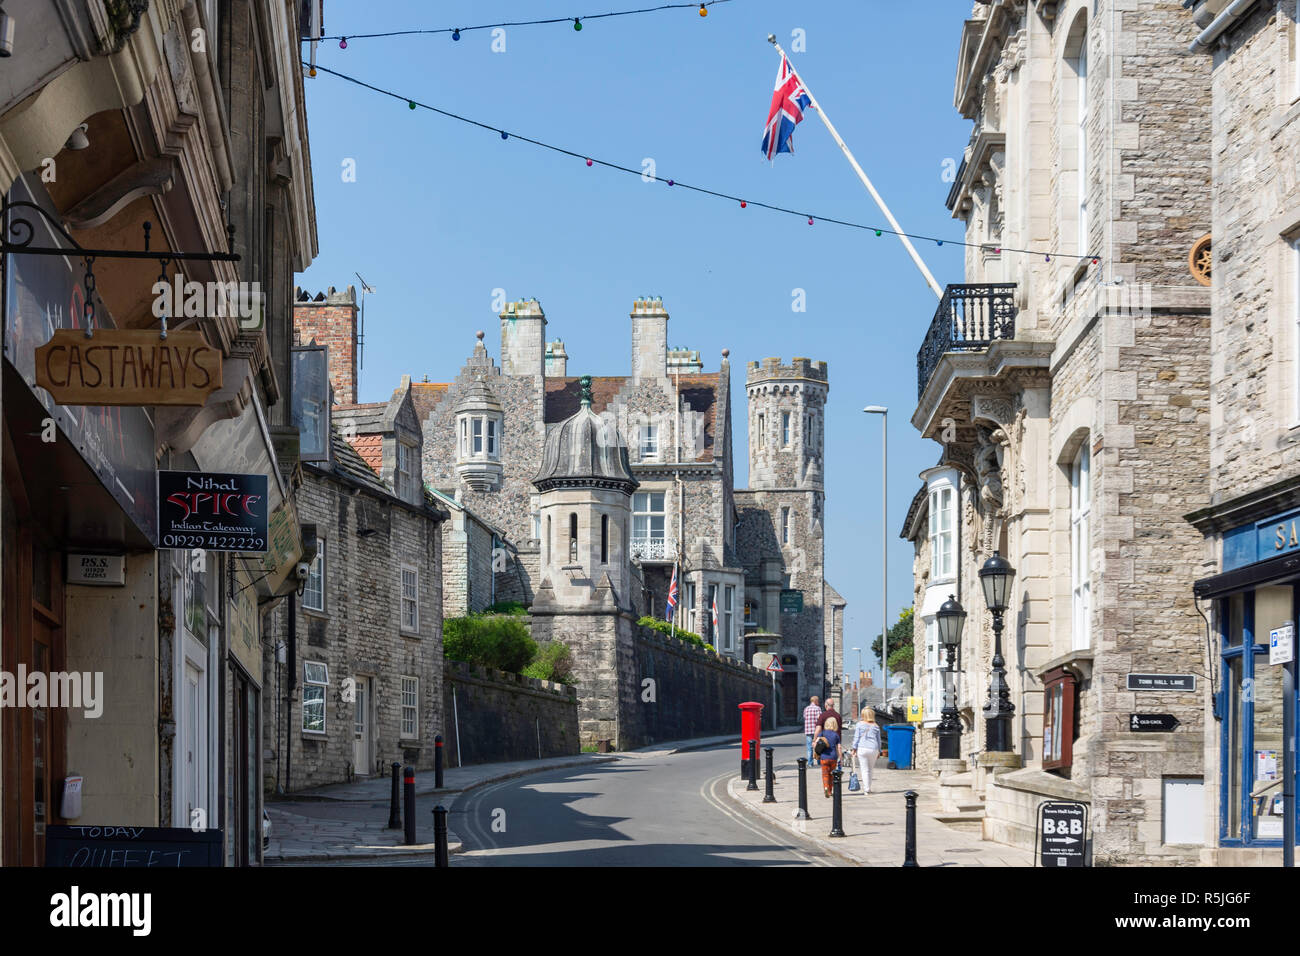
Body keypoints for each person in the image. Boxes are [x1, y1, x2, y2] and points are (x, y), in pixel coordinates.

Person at [851, 706, 882, 794]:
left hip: (862, 748)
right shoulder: (876, 726)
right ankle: (869, 788)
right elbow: (879, 740)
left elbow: (856, 738)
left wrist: (854, 748)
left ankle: (866, 789)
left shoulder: (859, 724)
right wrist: (879, 750)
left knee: (864, 769)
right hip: (873, 749)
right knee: (870, 769)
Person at [816, 716, 842, 798]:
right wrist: (840, 757)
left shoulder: (822, 733)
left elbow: (816, 743)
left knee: (825, 775)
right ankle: (830, 791)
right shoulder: (836, 735)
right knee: (832, 775)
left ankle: (826, 788)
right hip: (833, 758)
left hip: (824, 757)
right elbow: (839, 747)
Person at [802, 696, 823, 767]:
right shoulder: (818, 708)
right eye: (818, 701)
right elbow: (820, 719)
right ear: (815, 701)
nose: (818, 702)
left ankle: (810, 763)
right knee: (818, 746)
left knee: (809, 747)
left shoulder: (806, 709)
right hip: (816, 730)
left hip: (808, 730)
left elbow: (804, 717)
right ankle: (819, 761)